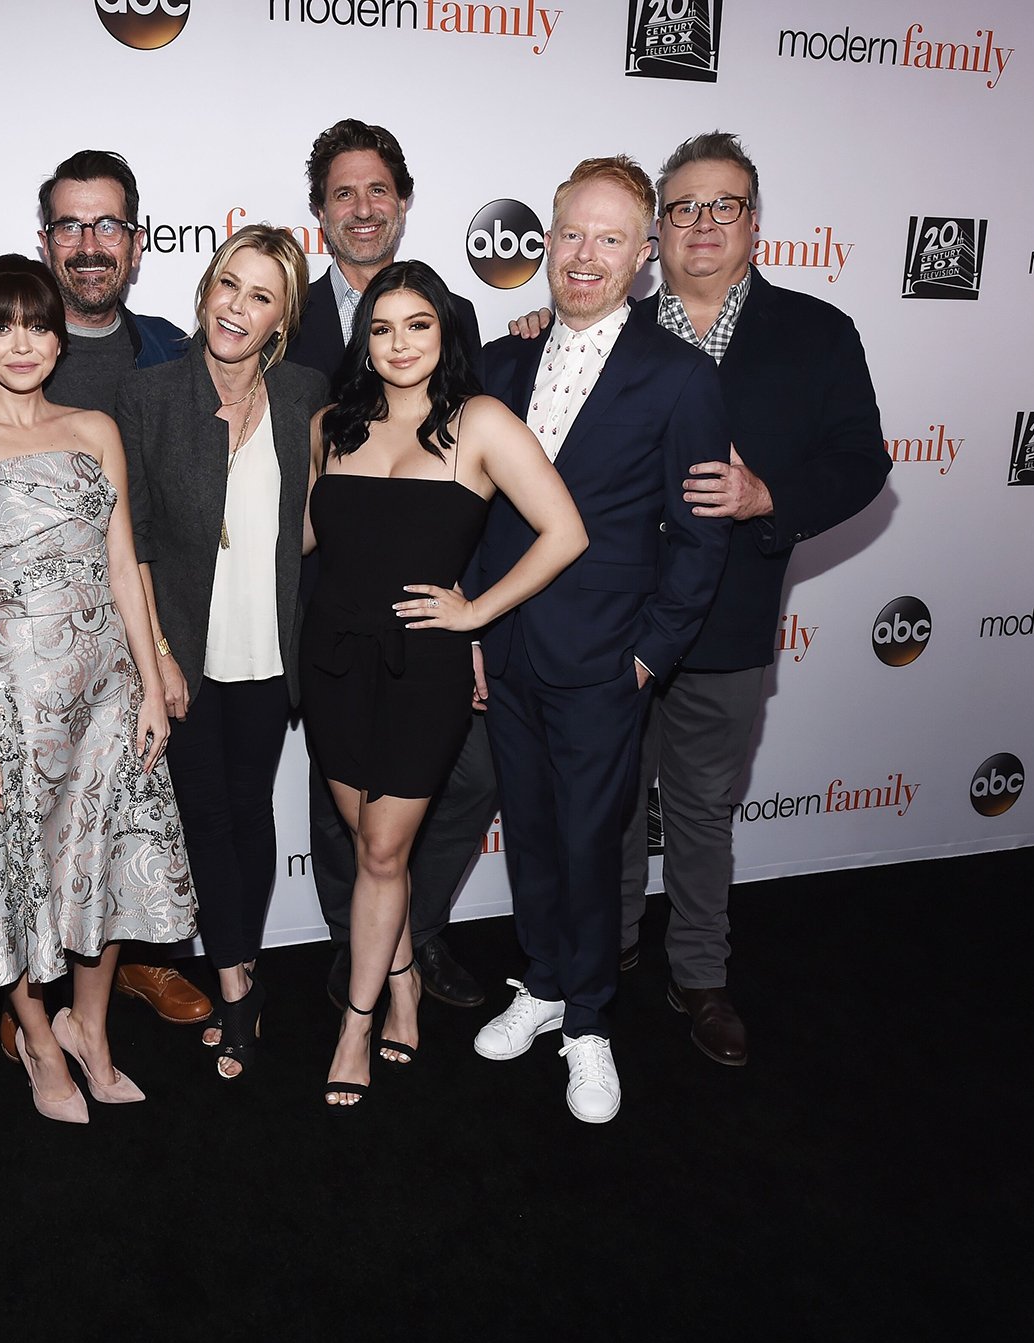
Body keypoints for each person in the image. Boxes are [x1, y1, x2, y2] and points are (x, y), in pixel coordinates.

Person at [470, 156, 730, 1125]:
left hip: (604, 658)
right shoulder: (500, 363)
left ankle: (588, 1021)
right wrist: (473, 626)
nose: (585, 255)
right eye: (571, 234)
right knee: (532, 831)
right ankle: (540, 983)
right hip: (509, 650)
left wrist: (646, 654)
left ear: (645, 255)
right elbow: (476, 519)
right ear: (547, 240)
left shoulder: (680, 379)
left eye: (610, 238)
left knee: (589, 841)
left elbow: (700, 537)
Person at [619, 132, 889, 1064]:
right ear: (655, 228)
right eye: (683, 207)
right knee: (611, 799)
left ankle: (696, 973)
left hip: (730, 623)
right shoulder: (611, 326)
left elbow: (862, 462)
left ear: (753, 222)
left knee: (698, 808)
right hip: (613, 621)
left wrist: (767, 495)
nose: (702, 223)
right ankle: (604, 954)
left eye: (721, 205)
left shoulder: (817, 333)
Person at [0, 150, 207, 1031]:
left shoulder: (106, 415)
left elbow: (127, 563)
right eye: (1, 328)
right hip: (14, 683)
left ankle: (88, 1023)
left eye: (36, 328)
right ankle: (32, 1034)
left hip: (109, 684)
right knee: (16, 854)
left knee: (108, 848)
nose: (21, 342)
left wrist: (154, 669)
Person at [303, 261, 586, 1110]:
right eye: (381, 328)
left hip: (421, 666)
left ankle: (354, 1025)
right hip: (334, 662)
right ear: (365, 339)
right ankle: (401, 986)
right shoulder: (330, 424)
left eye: (416, 325)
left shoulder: (480, 423)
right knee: (365, 846)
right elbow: (307, 542)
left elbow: (564, 530)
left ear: (444, 333)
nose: (398, 344)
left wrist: (475, 613)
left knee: (384, 852)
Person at [116, 225, 326, 1080]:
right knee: (205, 812)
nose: (236, 307)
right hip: (187, 650)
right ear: (205, 289)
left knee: (251, 808)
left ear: (282, 319)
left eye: (260, 296)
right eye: (227, 285)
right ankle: (237, 985)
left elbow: (312, 527)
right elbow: (131, 539)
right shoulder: (150, 395)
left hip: (270, 646)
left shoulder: (308, 393)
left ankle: (245, 969)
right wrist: (158, 655)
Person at [292, 117, 493, 1013]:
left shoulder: (460, 316)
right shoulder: (282, 315)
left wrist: (475, 611)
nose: (362, 207)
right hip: (328, 612)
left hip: (426, 624)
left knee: (456, 787)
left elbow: (474, 484)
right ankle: (355, 952)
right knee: (342, 815)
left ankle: (413, 937)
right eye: (343, 192)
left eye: (379, 189)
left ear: (402, 204)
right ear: (319, 213)